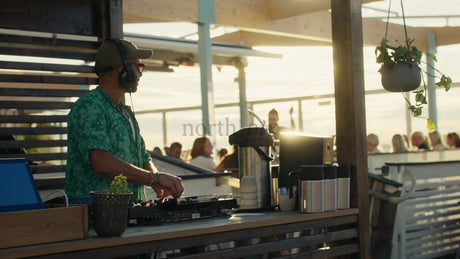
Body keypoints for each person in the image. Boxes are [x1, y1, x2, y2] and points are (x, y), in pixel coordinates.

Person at [65, 38, 184, 200]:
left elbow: (143, 158)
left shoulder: (125, 112)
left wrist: (156, 178)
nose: (141, 73)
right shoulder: (90, 106)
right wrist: (154, 178)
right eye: (139, 67)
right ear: (124, 70)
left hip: (127, 211)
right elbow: (102, 162)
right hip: (96, 216)